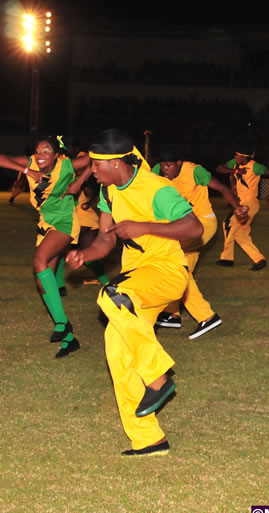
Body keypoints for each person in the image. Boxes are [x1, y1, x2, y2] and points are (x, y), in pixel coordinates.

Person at [65, 128, 202, 456]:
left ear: (116, 163)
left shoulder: (157, 189)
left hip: (167, 273)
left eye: (96, 164)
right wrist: (86, 254)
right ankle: (149, 439)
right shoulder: (108, 192)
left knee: (109, 295)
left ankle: (157, 377)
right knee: (116, 349)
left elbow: (194, 228)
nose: (91, 170)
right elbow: (106, 239)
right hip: (138, 277)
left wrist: (144, 226)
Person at [0, 137, 93, 358]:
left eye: (46, 150)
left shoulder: (67, 165)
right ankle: (70, 339)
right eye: (38, 150)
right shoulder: (31, 162)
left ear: (56, 154)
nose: (40, 155)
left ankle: (62, 324)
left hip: (64, 222)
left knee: (39, 262)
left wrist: (80, 182)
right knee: (43, 281)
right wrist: (26, 170)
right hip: (45, 223)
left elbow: (97, 158)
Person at [151, 150, 247, 338]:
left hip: (202, 223)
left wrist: (238, 208)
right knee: (181, 269)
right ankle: (173, 313)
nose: (165, 169)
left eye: (169, 165)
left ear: (179, 162)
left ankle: (206, 317)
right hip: (180, 224)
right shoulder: (157, 170)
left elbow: (222, 188)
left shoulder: (195, 171)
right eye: (162, 165)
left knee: (173, 263)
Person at [215, 148, 268, 271]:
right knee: (240, 234)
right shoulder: (235, 163)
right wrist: (236, 170)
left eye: (238, 155)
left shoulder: (255, 166)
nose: (235, 157)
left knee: (228, 223)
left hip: (250, 203)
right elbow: (219, 168)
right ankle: (259, 260)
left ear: (245, 156)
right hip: (242, 202)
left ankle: (227, 259)